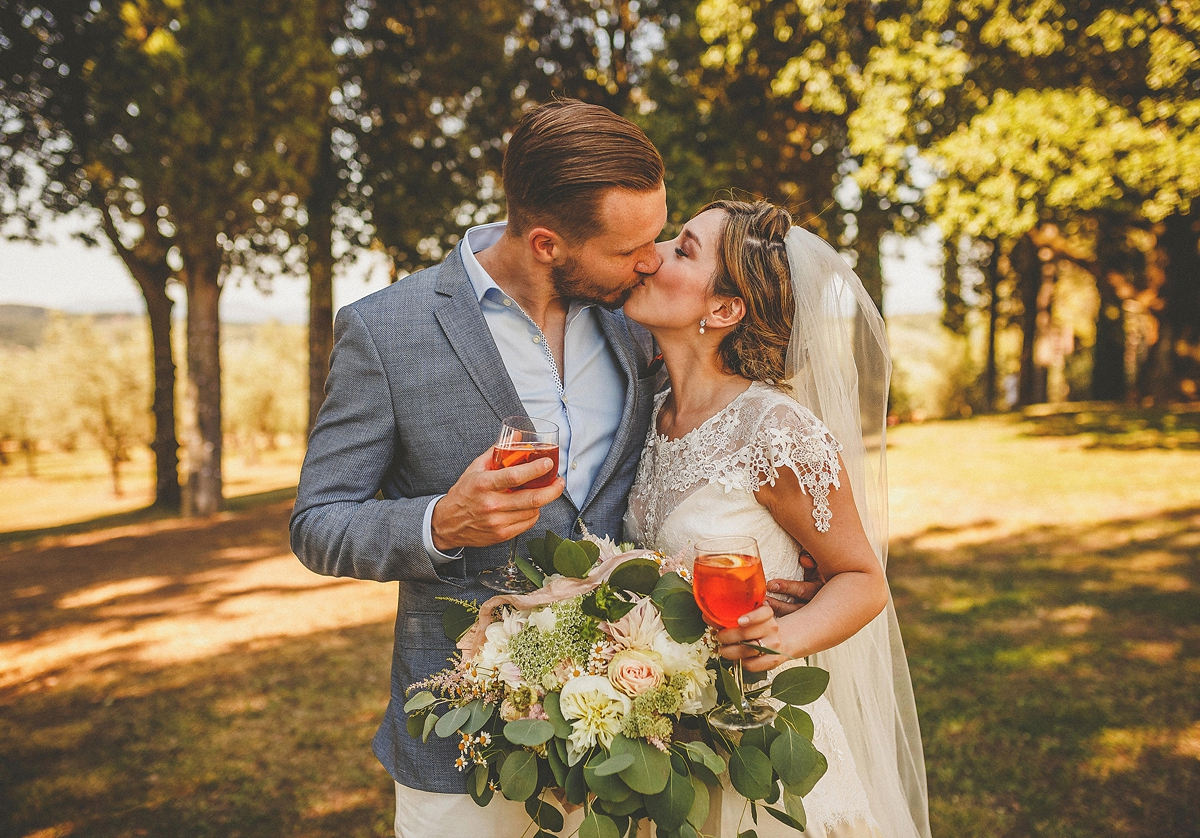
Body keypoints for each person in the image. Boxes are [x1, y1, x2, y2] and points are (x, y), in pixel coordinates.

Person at [289, 99, 669, 837]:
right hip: (462, 748)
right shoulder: (385, 330)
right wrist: (441, 521)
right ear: (547, 243)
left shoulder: (636, 315)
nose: (651, 261)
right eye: (631, 249)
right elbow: (317, 522)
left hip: (627, 730)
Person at [622, 200, 931, 838]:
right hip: (667, 743)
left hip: (759, 741)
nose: (651, 257)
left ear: (724, 311)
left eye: (683, 250)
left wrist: (778, 640)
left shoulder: (775, 432)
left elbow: (861, 577)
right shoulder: (651, 417)